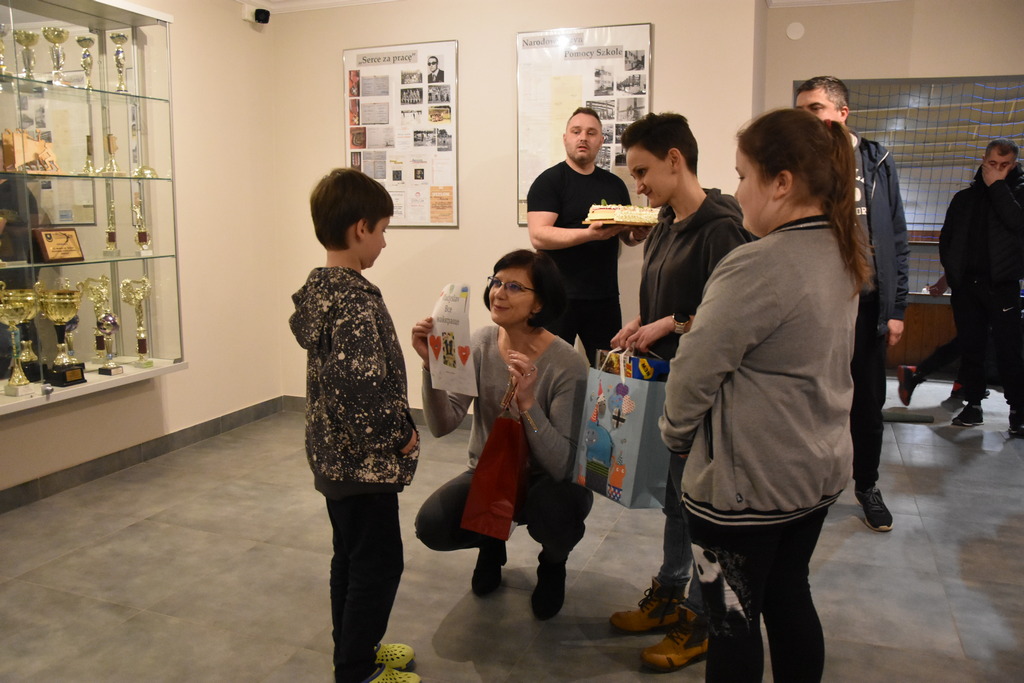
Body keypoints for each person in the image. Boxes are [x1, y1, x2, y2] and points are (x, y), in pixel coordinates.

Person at [659, 108, 870, 682]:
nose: (737, 191)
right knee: (788, 596)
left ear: (781, 183)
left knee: (730, 621)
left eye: (742, 175)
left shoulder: (757, 263)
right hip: (815, 471)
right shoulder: (841, 248)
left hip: (746, 487)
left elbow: (694, 373)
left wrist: (675, 435)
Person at [606, 112, 752, 673]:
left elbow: (727, 319)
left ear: (675, 159)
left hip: (706, 392)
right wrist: (642, 322)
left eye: (642, 171)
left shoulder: (722, 227)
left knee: (699, 507)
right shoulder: (666, 221)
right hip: (668, 381)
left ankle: (701, 616)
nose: (638, 185)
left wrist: (669, 324)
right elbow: (668, 298)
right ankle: (670, 592)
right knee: (675, 498)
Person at [289, 168, 421, 683]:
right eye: (383, 230)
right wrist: (400, 435)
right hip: (362, 466)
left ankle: (354, 652)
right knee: (378, 566)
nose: (384, 242)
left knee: (349, 557)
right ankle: (357, 670)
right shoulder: (354, 301)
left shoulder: (322, 291)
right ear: (361, 228)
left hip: (333, 458)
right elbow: (358, 388)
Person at [412, 249, 591, 621]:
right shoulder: (480, 344)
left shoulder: (567, 364)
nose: (498, 292)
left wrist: (528, 403)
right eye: (496, 282)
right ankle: (491, 541)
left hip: (547, 481)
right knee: (432, 525)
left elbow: (561, 464)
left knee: (555, 514)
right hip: (491, 473)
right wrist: (431, 369)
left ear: (539, 303)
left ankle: (553, 564)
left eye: (514, 287)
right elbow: (443, 425)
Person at [796, 75, 909, 533]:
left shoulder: (876, 160)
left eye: (815, 109)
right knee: (812, 402)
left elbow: (897, 236)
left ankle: (868, 485)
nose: (808, 119)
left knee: (867, 405)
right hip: (819, 307)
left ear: (842, 113)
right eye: (801, 111)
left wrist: (897, 309)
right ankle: (810, 488)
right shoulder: (800, 162)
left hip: (869, 306)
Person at [527, 107, 641, 365]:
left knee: (610, 372)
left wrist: (638, 235)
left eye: (591, 133)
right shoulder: (549, 181)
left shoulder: (614, 185)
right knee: (549, 371)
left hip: (604, 298)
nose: (583, 138)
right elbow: (539, 236)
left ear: (601, 141)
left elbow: (626, 236)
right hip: (556, 297)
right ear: (565, 138)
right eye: (576, 131)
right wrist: (589, 234)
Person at [938, 138, 1024, 434]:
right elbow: (947, 238)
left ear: (1014, 165)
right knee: (971, 348)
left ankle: (1018, 409)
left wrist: (998, 186)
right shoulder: (965, 198)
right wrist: (953, 275)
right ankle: (973, 404)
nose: (998, 170)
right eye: (993, 164)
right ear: (984, 161)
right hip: (967, 287)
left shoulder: (1019, 195)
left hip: (1003, 285)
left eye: (1005, 165)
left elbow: (1016, 223)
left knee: (1009, 350)